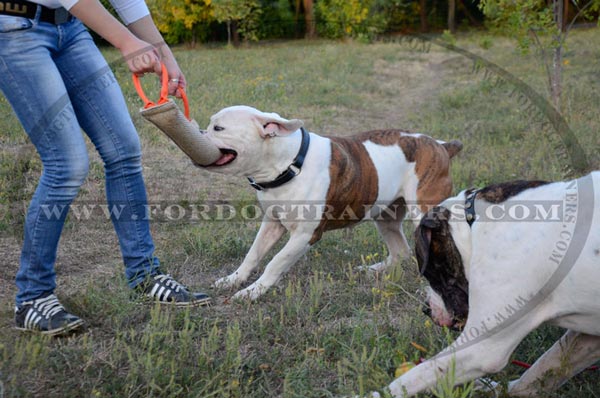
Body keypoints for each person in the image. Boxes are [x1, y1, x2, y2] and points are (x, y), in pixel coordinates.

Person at [0, 0, 210, 336]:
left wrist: (164, 54)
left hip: (71, 29)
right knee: (67, 164)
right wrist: (127, 42)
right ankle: (32, 297)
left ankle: (144, 276)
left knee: (123, 149)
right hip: (15, 29)